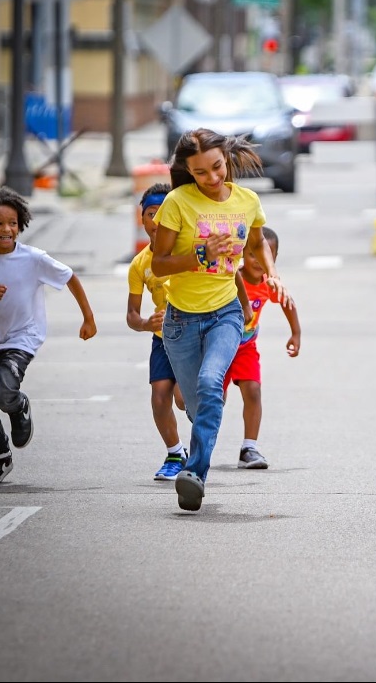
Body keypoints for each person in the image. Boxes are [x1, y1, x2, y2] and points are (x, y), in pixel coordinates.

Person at [152, 128, 287, 512]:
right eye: (201, 173)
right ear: (188, 172)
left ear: (226, 159)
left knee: (213, 384)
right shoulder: (177, 203)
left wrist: (272, 271)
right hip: (180, 321)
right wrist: (199, 253)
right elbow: (160, 264)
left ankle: (195, 474)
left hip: (226, 312)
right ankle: (200, 439)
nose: (212, 179)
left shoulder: (247, 200)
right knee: (197, 408)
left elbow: (258, 241)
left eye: (217, 167)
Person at [0, 187, 97, 484]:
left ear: (20, 225)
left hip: (23, 337)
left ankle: (19, 407)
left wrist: (88, 318)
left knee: (3, 389)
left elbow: (69, 276)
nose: (7, 229)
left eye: (13, 223)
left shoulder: (33, 258)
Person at [126, 182, 191, 481]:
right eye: (153, 213)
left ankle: (205, 413)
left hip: (193, 333)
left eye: (166, 213)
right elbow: (132, 315)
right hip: (163, 338)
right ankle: (175, 452)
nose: (158, 221)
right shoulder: (140, 265)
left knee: (182, 399)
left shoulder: (187, 252)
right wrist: (145, 324)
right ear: (143, 219)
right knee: (160, 397)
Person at [223, 226, 301, 469]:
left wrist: (295, 333)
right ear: (242, 253)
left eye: (264, 255)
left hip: (245, 347)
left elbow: (288, 303)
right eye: (251, 254)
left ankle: (249, 448)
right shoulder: (230, 277)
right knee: (215, 398)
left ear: (273, 259)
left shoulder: (269, 283)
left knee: (253, 391)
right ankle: (201, 445)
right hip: (220, 346)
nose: (256, 261)